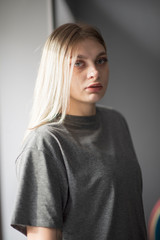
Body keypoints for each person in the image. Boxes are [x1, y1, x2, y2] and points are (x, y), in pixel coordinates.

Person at [11, 23, 147, 240]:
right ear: (56, 71)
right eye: (79, 64)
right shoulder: (45, 143)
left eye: (101, 60)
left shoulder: (117, 122)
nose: (94, 72)